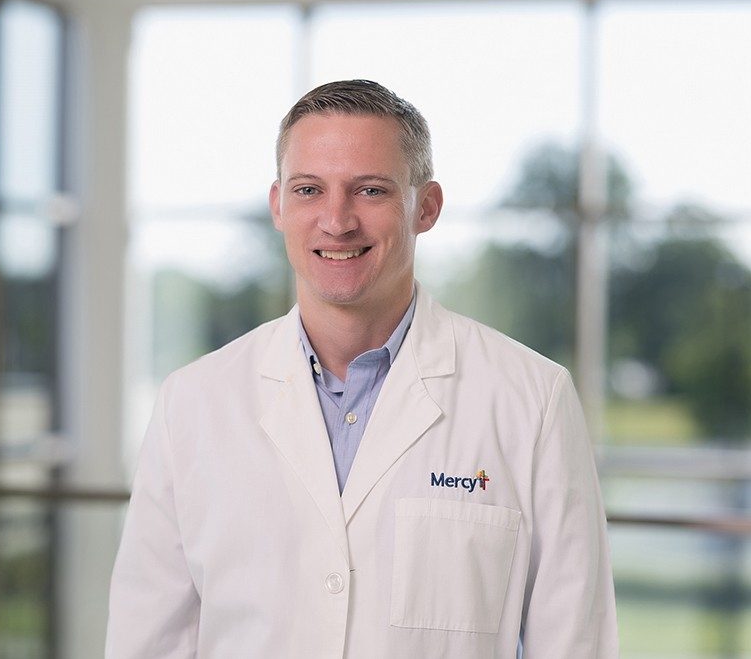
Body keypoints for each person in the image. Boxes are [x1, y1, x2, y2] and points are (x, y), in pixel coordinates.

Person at [107, 79, 618, 658]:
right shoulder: (192, 403)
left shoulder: (533, 399)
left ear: (426, 207)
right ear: (278, 205)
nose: (336, 220)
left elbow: (576, 640)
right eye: (309, 190)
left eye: (370, 190)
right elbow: (146, 640)